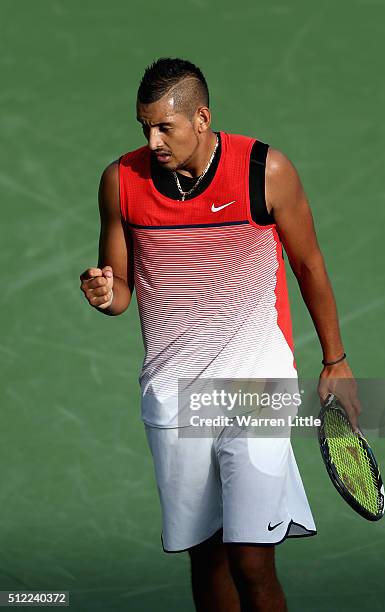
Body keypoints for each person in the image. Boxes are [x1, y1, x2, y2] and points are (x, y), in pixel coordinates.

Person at [80, 57, 360, 612]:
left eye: (165, 126)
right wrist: (102, 293)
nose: (153, 139)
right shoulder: (121, 182)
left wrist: (336, 360)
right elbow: (120, 295)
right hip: (173, 392)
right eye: (144, 127)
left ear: (201, 118)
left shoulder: (265, 171)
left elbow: (309, 266)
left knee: (252, 559)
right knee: (206, 556)